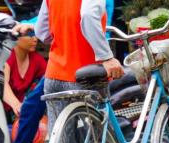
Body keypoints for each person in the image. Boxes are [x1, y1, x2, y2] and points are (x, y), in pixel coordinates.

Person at [13, 0, 123, 136]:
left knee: (59, 142)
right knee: (98, 142)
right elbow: (89, 16)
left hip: (54, 76)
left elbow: (42, 32)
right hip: (86, 75)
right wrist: (106, 57)